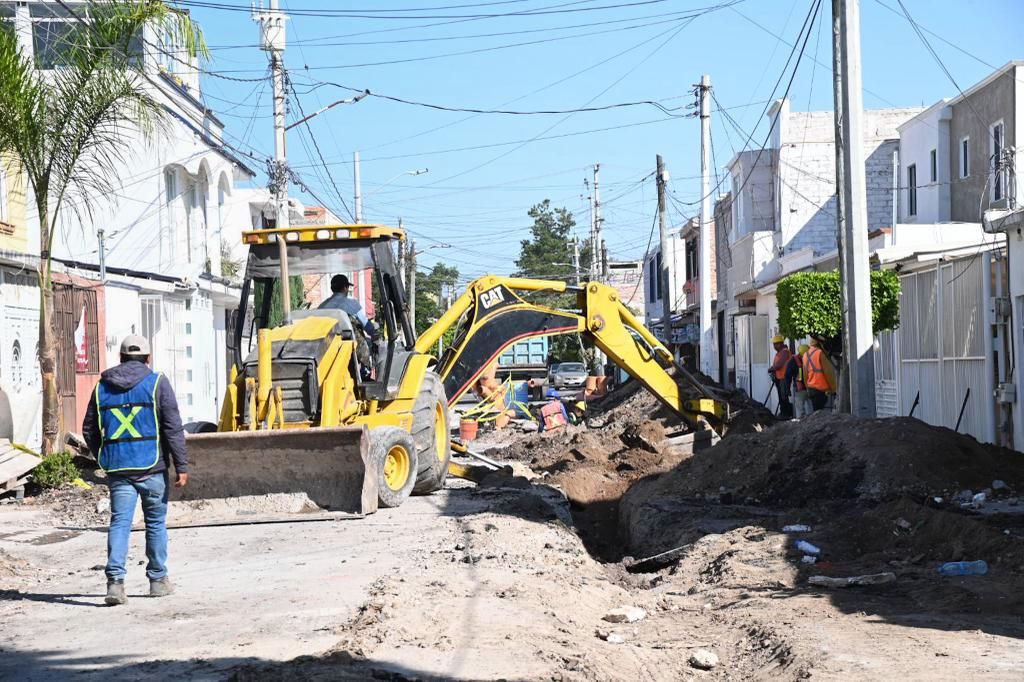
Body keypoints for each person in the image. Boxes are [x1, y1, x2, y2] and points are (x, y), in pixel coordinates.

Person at [82, 335, 188, 606]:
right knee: (154, 523)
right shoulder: (156, 383)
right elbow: (172, 427)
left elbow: (89, 429)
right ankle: (157, 581)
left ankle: (115, 584)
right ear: (148, 358)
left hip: (118, 469)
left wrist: (104, 455)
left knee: (120, 523)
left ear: (120, 358)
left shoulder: (102, 387)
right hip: (152, 468)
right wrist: (181, 466)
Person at [802, 338, 837, 412]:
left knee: (815, 411)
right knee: (821, 413)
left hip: (811, 389)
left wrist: (807, 387)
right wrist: (834, 389)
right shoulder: (820, 353)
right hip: (821, 390)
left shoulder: (805, 354)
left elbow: (805, 374)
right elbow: (828, 372)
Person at [767, 335, 793, 418]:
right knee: (781, 396)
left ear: (781, 343)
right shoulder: (779, 353)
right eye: (774, 344)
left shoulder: (784, 352)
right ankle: (784, 412)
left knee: (783, 396)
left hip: (784, 378)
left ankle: (786, 413)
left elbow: (779, 364)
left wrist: (772, 368)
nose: (774, 346)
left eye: (776, 344)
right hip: (779, 377)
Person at [789, 343, 811, 418]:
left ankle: (801, 421)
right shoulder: (810, 359)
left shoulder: (794, 360)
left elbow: (788, 374)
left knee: (800, 408)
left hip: (802, 388)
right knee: (809, 407)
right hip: (807, 387)